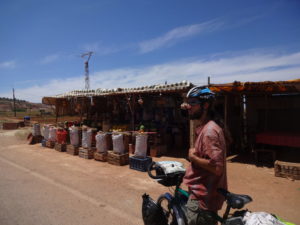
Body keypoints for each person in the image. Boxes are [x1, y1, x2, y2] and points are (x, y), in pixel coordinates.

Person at [181, 86, 228, 225]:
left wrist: (193, 158)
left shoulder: (209, 132)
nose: (189, 106)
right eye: (188, 103)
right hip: (205, 196)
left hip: (202, 201)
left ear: (205, 105)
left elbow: (217, 167)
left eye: (193, 103)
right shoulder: (207, 127)